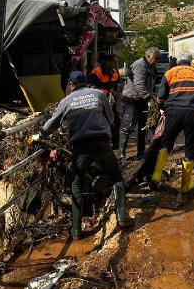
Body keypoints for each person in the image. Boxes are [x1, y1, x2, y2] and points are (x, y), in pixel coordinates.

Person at [32, 71, 134, 239]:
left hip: (80, 147)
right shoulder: (99, 95)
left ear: (71, 85)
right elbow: (111, 118)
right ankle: (122, 218)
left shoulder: (66, 101)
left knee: (77, 185)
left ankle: (76, 231)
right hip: (102, 144)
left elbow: (54, 122)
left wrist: (39, 135)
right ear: (85, 82)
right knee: (116, 178)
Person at [150, 52, 194, 193]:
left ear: (177, 62)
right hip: (193, 112)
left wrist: (162, 109)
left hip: (174, 112)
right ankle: (186, 186)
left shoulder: (170, 73)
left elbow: (161, 97)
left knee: (166, 143)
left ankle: (156, 176)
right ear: (190, 62)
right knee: (190, 145)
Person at [119, 47, 160, 161]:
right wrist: (148, 98)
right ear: (148, 56)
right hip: (132, 100)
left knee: (143, 128)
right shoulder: (139, 65)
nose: (157, 60)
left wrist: (153, 97)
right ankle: (122, 154)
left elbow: (152, 85)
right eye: (155, 58)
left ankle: (141, 153)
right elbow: (139, 84)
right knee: (128, 126)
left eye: (158, 58)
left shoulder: (152, 67)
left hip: (143, 101)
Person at [89, 53, 121, 150]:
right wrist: (105, 92)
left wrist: (114, 92)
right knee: (100, 124)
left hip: (110, 103)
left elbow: (117, 86)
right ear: (108, 62)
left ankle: (115, 147)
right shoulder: (96, 73)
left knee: (116, 122)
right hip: (98, 103)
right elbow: (91, 89)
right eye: (114, 63)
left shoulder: (114, 73)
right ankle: (102, 146)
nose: (116, 65)